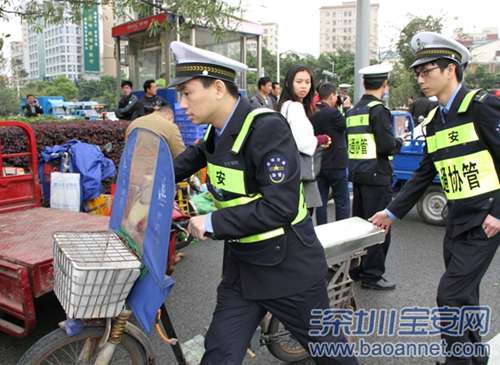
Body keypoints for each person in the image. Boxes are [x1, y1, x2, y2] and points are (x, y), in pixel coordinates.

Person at [171, 41, 357, 365]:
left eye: (187, 93)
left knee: (332, 355)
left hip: (289, 268)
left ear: (217, 88)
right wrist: (148, 180)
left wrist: (211, 222)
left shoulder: (265, 127)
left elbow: (279, 207)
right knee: (218, 354)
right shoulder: (215, 133)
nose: (181, 103)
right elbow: (187, 161)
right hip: (242, 271)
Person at [370, 32, 500, 365]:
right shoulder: (435, 120)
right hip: (456, 219)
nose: (420, 78)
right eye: (418, 72)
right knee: (464, 298)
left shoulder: (481, 107)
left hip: (485, 221)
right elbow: (424, 173)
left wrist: (498, 214)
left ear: (450, 69)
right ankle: (474, 357)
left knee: (450, 295)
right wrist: (392, 212)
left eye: (427, 71)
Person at [346, 63, 403, 291]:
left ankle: (357, 269)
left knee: (360, 225)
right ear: (385, 84)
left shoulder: (353, 111)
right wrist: (399, 142)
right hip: (377, 175)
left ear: (364, 84)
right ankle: (372, 275)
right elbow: (386, 145)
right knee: (379, 226)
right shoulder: (378, 110)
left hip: (358, 174)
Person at [277, 65, 332, 215]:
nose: (304, 86)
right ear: (288, 83)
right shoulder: (295, 107)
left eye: (307, 82)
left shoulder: (282, 105)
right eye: (299, 81)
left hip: (287, 173)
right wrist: (321, 139)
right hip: (301, 175)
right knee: (303, 218)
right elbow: (304, 144)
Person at [311, 82, 350, 224]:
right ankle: (342, 228)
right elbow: (345, 126)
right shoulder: (334, 113)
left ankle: (322, 228)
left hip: (320, 162)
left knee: (321, 200)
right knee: (342, 200)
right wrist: (346, 109)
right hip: (337, 163)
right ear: (332, 95)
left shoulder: (314, 114)